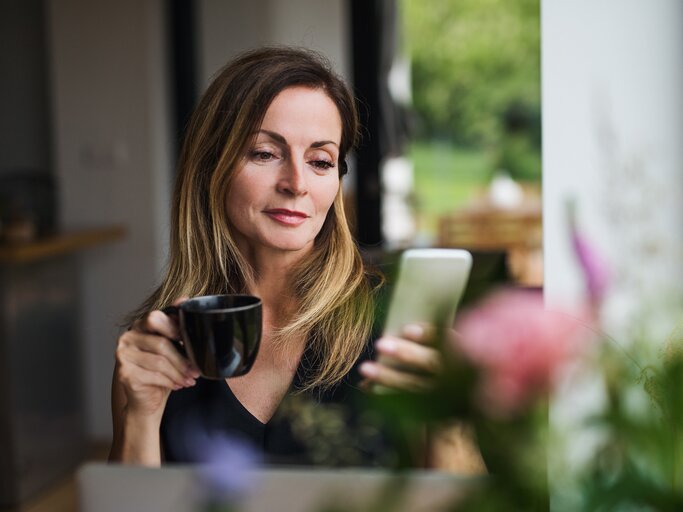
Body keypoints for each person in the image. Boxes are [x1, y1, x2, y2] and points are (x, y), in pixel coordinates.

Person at [108, 46, 476, 468]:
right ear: (212, 165)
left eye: (320, 161)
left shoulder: (395, 331)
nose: (297, 184)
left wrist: (451, 417)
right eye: (265, 153)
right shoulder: (157, 347)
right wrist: (140, 414)